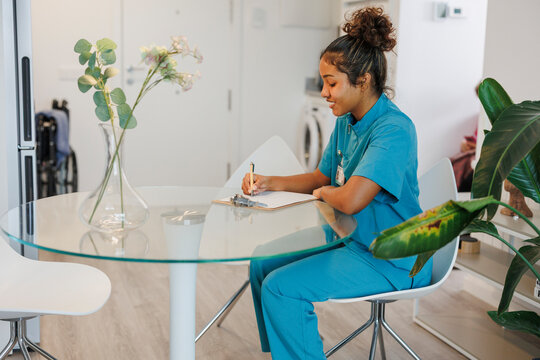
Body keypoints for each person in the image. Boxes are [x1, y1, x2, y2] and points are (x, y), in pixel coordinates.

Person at [241, 7, 432, 359]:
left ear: (363, 81)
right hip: (352, 240)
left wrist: (323, 194)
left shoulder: (394, 129)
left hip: (394, 259)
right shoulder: (347, 120)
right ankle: (286, 352)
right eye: (323, 82)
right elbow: (322, 177)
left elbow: (350, 199)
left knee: (281, 289)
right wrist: (269, 181)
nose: (325, 92)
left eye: (332, 83)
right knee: (262, 261)